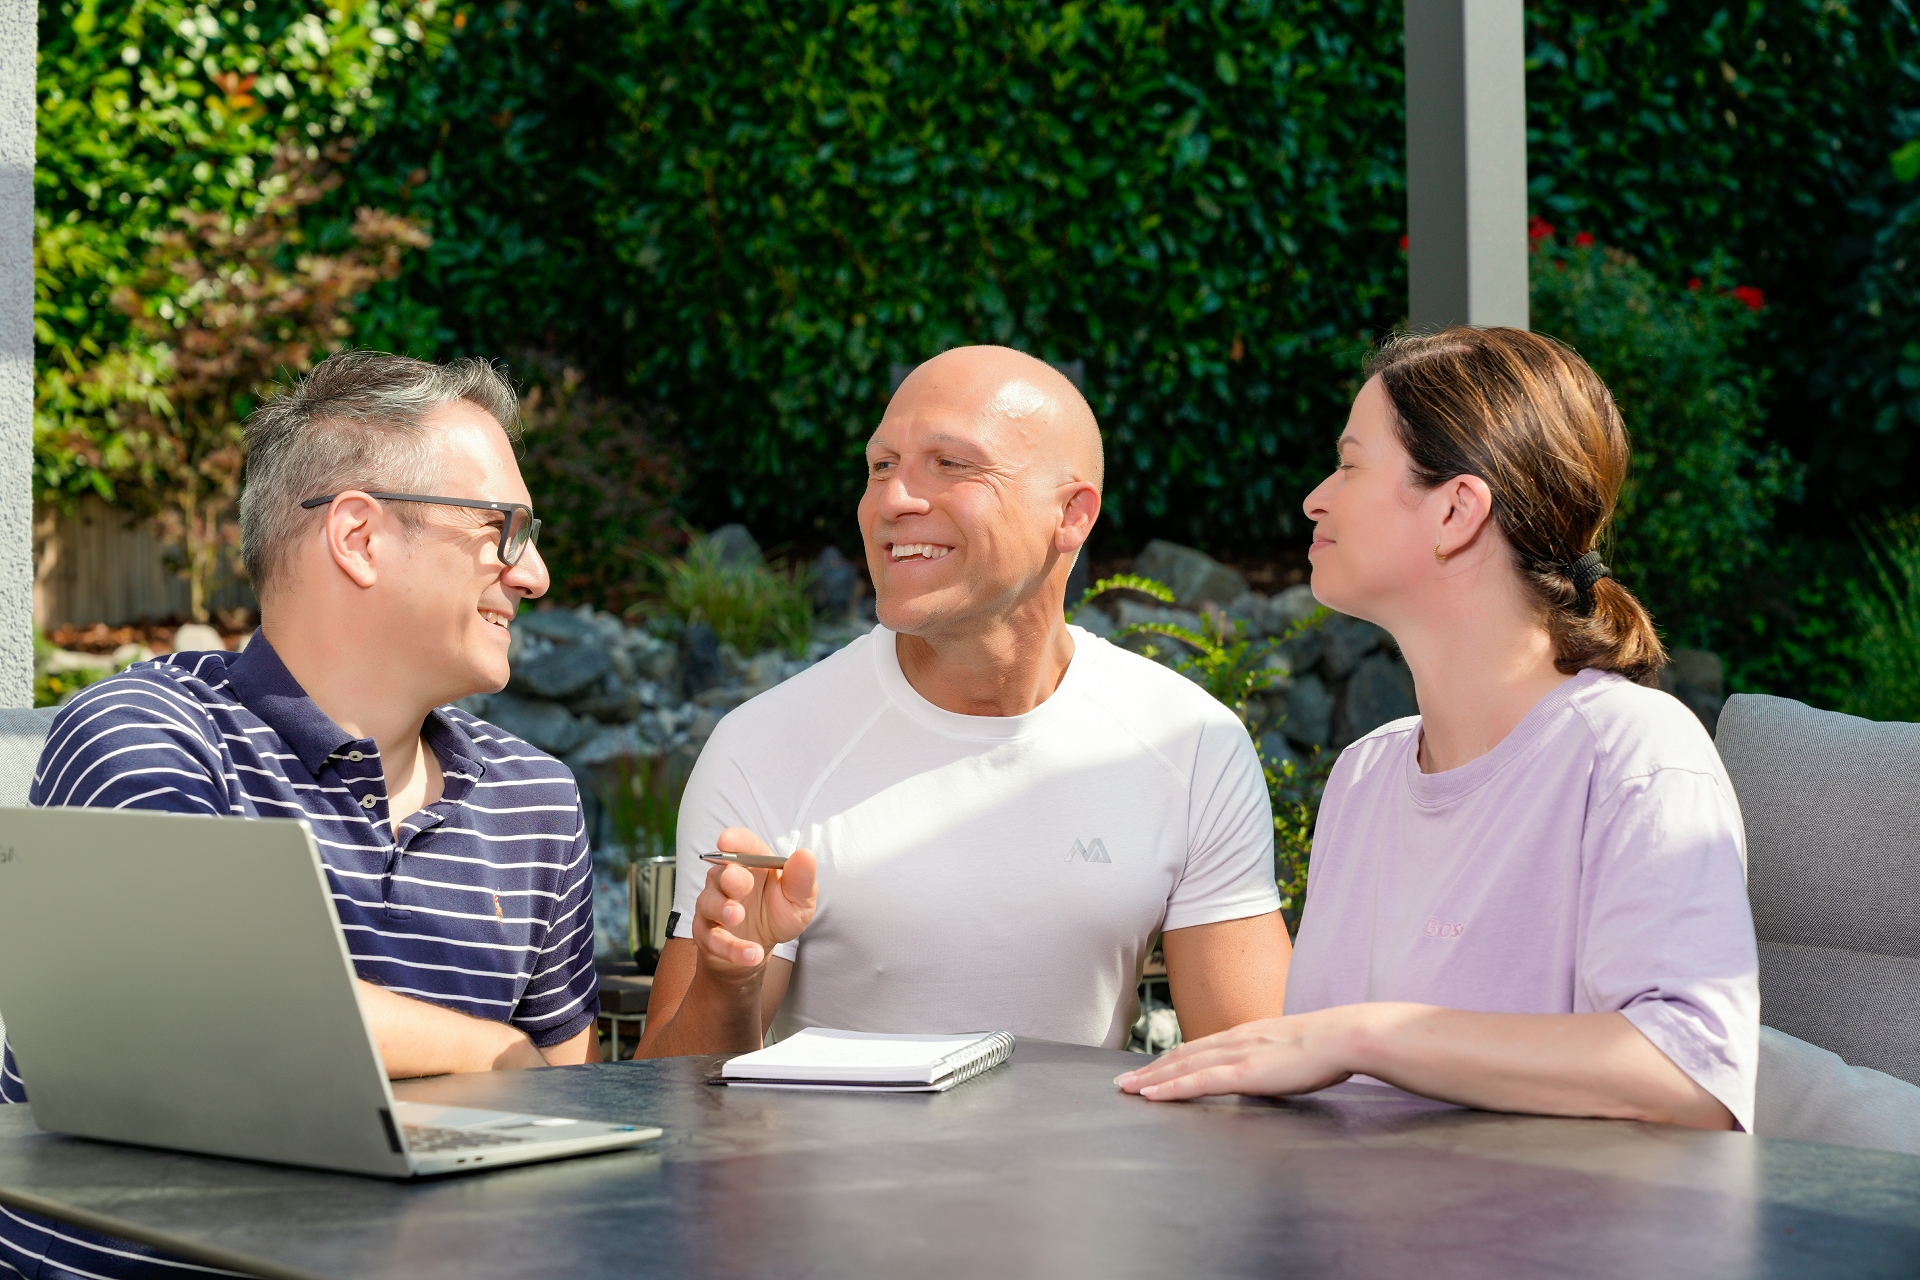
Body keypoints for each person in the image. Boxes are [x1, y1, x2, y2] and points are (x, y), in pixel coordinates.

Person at [1, 352, 598, 1279]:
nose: (536, 576)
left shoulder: (534, 802)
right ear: (357, 537)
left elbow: (565, 1128)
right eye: (502, 530)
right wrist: (494, 1048)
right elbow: (207, 1009)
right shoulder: (148, 735)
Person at [1117, 327, 1760, 1131]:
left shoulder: (1635, 754)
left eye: (1350, 464)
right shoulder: (1366, 775)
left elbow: (1690, 1072)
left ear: (1456, 510)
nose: (1317, 497)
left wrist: (1369, 1033)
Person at [636, 346, 1293, 1057]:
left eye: (950, 464)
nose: (893, 499)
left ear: (1071, 514)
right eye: (881, 466)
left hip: (1096, 1170)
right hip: (835, 1173)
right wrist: (731, 979)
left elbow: (1252, 1066)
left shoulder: (1187, 743)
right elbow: (676, 1101)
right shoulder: (765, 746)